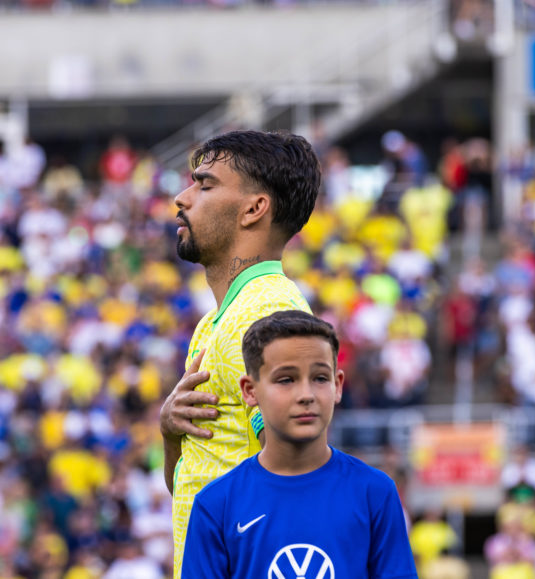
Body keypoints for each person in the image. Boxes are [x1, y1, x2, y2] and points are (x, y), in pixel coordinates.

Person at [160, 130, 321, 577]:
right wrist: (171, 434)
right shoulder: (212, 324)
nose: (182, 197)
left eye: (205, 184)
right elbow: (193, 485)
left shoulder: (267, 313)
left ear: (254, 209)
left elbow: (299, 479)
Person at [181, 311, 418, 579]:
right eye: (286, 380)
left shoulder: (374, 492)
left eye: (320, 378)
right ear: (250, 390)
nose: (306, 395)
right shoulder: (215, 505)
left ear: (338, 385)